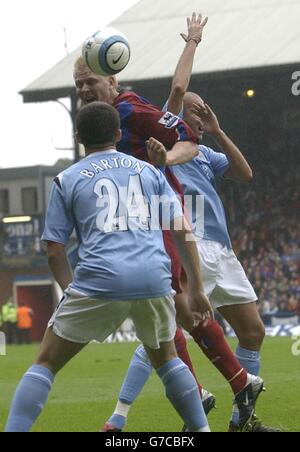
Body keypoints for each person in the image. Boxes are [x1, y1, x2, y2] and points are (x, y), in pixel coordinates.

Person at [74, 14, 264, 433]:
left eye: (92, 81)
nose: (192, 115)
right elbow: (177, 92)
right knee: (162, 318)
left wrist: (179, 151)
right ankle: (224, 388)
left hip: (179, 230)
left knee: (170, 317)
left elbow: (216, 156)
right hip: (155, 227)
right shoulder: (125, 124)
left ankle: (226, 396)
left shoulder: (166, 131)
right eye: (80, 85)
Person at [5, 102, 213, 433]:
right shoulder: (149, 171)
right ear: (118, 134)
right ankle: (201, 431)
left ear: (78, 136)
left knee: (46, 361)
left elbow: (54, 250)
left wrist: (69, 289)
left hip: (101, 279)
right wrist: (197, 288)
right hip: (154, 280)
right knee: (167, 359)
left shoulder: (66, 179)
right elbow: (181, 229)